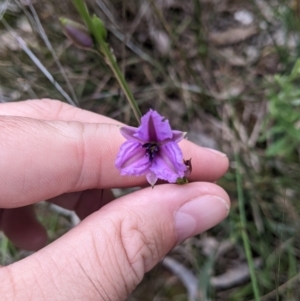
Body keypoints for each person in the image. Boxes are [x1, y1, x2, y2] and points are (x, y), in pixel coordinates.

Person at [0, 99, 230, 300]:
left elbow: (160, 161)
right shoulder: (143, 145)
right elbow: (127, 162)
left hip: (166, 157)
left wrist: (177, 170)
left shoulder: (161, 145)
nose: (149, 149)